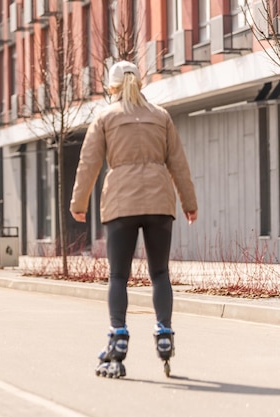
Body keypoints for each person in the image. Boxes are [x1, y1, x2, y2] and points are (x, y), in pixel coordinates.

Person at [70, 60, 198, 378]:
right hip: (159, 202)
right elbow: (178, 163)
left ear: (111, 87)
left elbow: (88, 163)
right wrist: (189, 203)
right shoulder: (161, 116)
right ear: (139, 83)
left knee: (118, 277)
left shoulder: (106, 117)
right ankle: (165, 333)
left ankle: (119, 337)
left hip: (120, 203)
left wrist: (79, 202)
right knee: (159, 272)